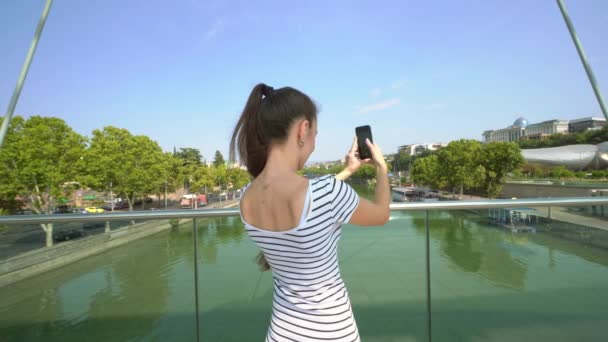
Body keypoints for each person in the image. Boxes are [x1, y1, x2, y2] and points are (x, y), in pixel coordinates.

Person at [230, 83, 390, 341]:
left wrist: (348, 171)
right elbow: (381, 214)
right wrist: (382, 169)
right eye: (315, 134)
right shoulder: (326, 193)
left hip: (281, 332)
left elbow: (312, 198)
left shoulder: (246, 196)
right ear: (302, 130)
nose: (314, 144)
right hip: (332, 332)